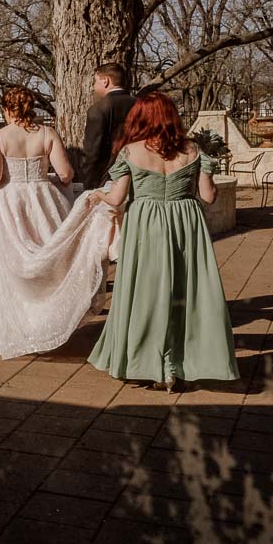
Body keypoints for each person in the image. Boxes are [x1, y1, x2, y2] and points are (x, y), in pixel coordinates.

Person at [87, 92, 238, 391]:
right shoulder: (193, 150)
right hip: (185, 222)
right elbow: (208, 196)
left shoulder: (131, 151)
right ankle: (178, 365)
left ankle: (148, 364)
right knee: (184, 292)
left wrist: (97, 195)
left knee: (146, 291)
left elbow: (117, 198)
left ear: (139, 118)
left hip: (146, 223)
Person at [0, 86, 119, 359]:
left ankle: (22, 329)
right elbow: (66, 173)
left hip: (10, 203)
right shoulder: (47, 133)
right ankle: (49, 323)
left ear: (7, 109)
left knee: (13, 267)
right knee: (52, 262)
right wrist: (48, 178)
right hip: (43, 199)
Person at [76, 62, 137, 192]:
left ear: (105, 81)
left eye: (95, 81)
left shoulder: (99, 109)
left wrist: (89, 185)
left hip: (109, 176)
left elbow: (93, 150)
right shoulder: (140, 104)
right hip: (139, 171)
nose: (93, 87)